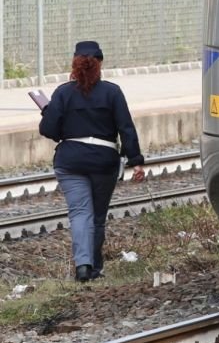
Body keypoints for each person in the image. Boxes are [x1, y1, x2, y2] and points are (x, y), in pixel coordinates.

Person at [39, 41, 146, 282]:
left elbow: (48, 129)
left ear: (75, 64)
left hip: (70, 161)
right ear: (100, 64)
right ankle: (94, 268)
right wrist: (136, 161)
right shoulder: (112, 92)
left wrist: (49, 113)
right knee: (96, 217)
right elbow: (125, 128)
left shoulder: (63, 93)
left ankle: (83, 266)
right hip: (103, 161)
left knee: (79, 213)